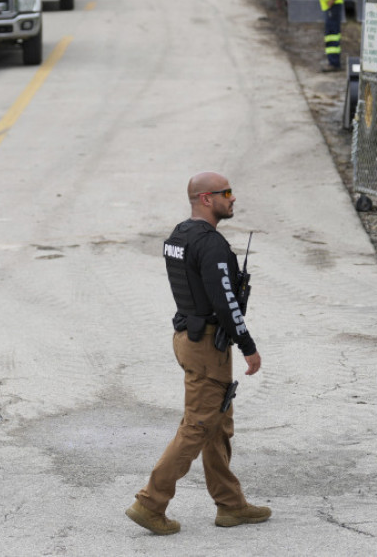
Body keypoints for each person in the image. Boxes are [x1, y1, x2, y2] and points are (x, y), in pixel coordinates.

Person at [126, 172, 271, 536]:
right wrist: (248, 347)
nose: (233, 199)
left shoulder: (178, 236)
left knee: (217, 423)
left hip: (188, 336)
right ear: (206, 199)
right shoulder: (212, 245)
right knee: (198, 426)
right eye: (226, 193)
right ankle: (150, 502)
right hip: (208, 345)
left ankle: (231, 505)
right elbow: (225, 303)